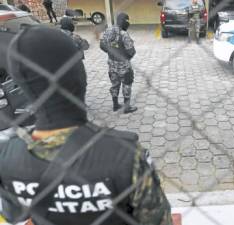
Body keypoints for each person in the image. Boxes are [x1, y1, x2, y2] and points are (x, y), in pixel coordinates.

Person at [1, 26, 172, 225]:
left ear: (21, 87)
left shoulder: (6, 156)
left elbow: (15, 218)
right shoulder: (125, 155)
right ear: (79, 76)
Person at [100, 13, 137, 113]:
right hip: (123, 66)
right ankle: (126, 107)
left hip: (112, 64)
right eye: (127, 21)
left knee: (114, 84)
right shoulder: (124, 34)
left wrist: (111, 52)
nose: (128, 23)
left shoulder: (108, 30)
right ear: (124, 21)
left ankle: (115, 105)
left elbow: (102, 45)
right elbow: (131, 51)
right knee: (127, 84)